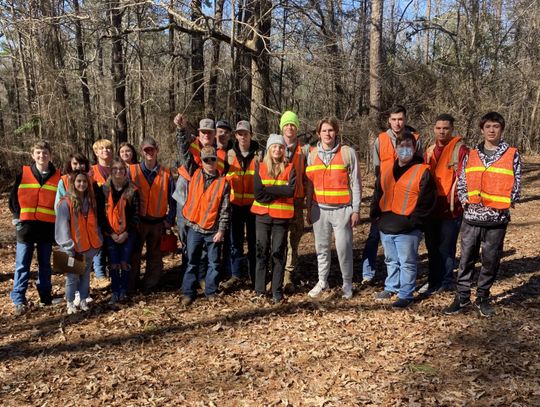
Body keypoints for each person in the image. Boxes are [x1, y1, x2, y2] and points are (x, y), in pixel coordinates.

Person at [444, 112, 521, 317]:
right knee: (466, 259)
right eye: (488, 126)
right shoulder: (471, 154)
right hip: (472, 217)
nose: (492, 130)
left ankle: (483, 297)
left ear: (501, 130)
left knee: (490, 260)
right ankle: (461, 297)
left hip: (496, 219)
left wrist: (504, 203)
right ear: (482, 129)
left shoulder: (512, 154)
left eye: (496, 126)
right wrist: (464, 200)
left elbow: (516, 184)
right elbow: (461, 180)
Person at [371, 132, 436, 308]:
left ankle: (406, 294)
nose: (404, 149)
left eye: (408, 146)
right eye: (401, 146)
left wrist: (415, 221)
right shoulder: (387, 169)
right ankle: (391, 287)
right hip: (386, 223)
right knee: (391, 260)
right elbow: (378, 193)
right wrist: (375, 214)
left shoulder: (422, 170)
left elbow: (427, 200)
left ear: (414, 148)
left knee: (407, 262)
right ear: (396, 148)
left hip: (408, 227)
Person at [361, 105, 422, 285]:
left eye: (400, 119)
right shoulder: (381, 140)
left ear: (405, 119)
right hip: (385, 196)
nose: (397, 123)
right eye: (394, 119)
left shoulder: (416, 139)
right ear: (389, 120)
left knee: (406, 240)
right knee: (374, 236)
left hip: (407, 197)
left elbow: (419, 166)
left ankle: (404, 280)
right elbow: (377, 170)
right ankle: (367, 273)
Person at [305, 118, 362, 300]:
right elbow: (309, 184)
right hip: (319, 210)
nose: (327, 134)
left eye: (331, 130)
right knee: (321, 248)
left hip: (342, 210)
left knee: (343, 248)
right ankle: (322, 281)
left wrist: (356, 209)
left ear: (336, 132)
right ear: (318, 133)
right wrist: (308, 207)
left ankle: (347, 283)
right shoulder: (312, 155)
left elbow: (356, 182)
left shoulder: (347, 153)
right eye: (324, 131)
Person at [9, 140, 60, 315]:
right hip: (26, 227)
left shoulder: (58, 176)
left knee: (45, 265)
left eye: (45, 153)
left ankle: (45, 296)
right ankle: (18, 298)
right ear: (33, 155)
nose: (41, 156)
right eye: (38, 152)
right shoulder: (23, 173)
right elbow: (13, 198)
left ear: (50, 155)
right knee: (22, 264)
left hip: (46, 227)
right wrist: (16, 217)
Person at [421, 114, 468, 296]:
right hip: (431, 207)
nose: (442, 131)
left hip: (450, 209)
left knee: (446, 248)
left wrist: (457, 200)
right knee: (432, 247)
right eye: (438, 128)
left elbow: (464, 179)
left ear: (452, 129)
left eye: (445, 128)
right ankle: (434, 280)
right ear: (434, 129)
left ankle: (446, 281)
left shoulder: (460, 150)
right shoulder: (430, 150)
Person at [180, 146, 231, 306]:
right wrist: (181, 130)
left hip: (213, 230)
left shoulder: (223, 183)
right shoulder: (194, 173)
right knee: (192, 261)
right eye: (206, 160)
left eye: (212, 159)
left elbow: (225, 210)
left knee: (214, 263)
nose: (209, 162)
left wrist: (221, 230)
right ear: (201, 162)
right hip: (194, 227)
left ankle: (211, 291)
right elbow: (184, 153)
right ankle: (188, 293)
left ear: (217, 161)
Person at [252, 134, 296, 304]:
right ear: (269, 149)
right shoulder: (260, 166)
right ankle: (260, 290)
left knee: (278, 254)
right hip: (262, 217)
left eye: (281, 147)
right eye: (274, 147)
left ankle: (277, 291)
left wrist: (268, 188)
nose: (277, 150)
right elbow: (258, 193)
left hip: (281, 218)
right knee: (261, 252)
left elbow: (290, 191)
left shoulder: (290, 167)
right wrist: (279, 189)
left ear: (284, 150)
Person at [129, 137, 176, 292]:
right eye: (146, 150)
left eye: (152, 149)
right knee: (134, 255)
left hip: (158, 222)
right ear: (141, 152)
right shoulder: (132, 171)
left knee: (155, 256)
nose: (150, 152)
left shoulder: (166, 173)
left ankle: (150, 286)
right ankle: (132, 285)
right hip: (139, 222)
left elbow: (173, 199)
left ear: (157, 150)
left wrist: (170, 219)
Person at [55, 171, 103, 314]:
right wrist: (68, 247)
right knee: (72, 278)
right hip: (73, 248)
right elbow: (61, 227)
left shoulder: (90, 201)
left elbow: (95, 224)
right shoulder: (65, 202)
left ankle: (83, 300)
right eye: (78, 181)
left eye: (84, 181)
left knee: (85, 276)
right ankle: (70, 303)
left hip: (89, 247)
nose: (81, 184)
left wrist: (98, 240)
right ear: (73, 184)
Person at [221, 120, 261, 290]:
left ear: (251, 134)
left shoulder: (260, 154)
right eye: (239, 133)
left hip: (254, 206)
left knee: (254, 243)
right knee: (235, 243)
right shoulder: (228, 155)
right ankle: (236, 275)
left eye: (246, 133)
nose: (242, 137)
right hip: (234, 206)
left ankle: (255, 275)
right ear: (235, 135)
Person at [97, 158, 140, 304]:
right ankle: (115, 291)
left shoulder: (132, 190)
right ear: (111, 171)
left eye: (121, 169)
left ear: (125, 171)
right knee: (114, 263)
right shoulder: (104, 189)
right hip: (110, 234)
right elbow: (100, 216)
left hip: (128, 233)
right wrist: (112, 233)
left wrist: (126, 233)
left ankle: (124, 291)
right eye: (115, 169)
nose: (118, 171)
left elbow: (136, 214)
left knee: (125, 262)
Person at [280, 111, 310, 292]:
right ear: (282, 127)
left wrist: (306, 197)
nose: (290, 128)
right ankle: (277, 273)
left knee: (293, 239)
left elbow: (308, 177)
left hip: (297, 202)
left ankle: (288, 275)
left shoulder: (304, 151)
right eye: (286, 124)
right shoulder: (274, 147)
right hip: (279, 201)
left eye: (293, 125)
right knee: (278, 239)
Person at [88, 138, 113, 285]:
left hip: (115, 214)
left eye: (108, 148)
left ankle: (112, 274)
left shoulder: (117, 169)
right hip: (96, 214)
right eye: (102, 149)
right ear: (96, 152)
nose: (105, 151)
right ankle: (100, 274)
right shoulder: (91, 171)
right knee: (99, 244)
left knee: (111, 244)